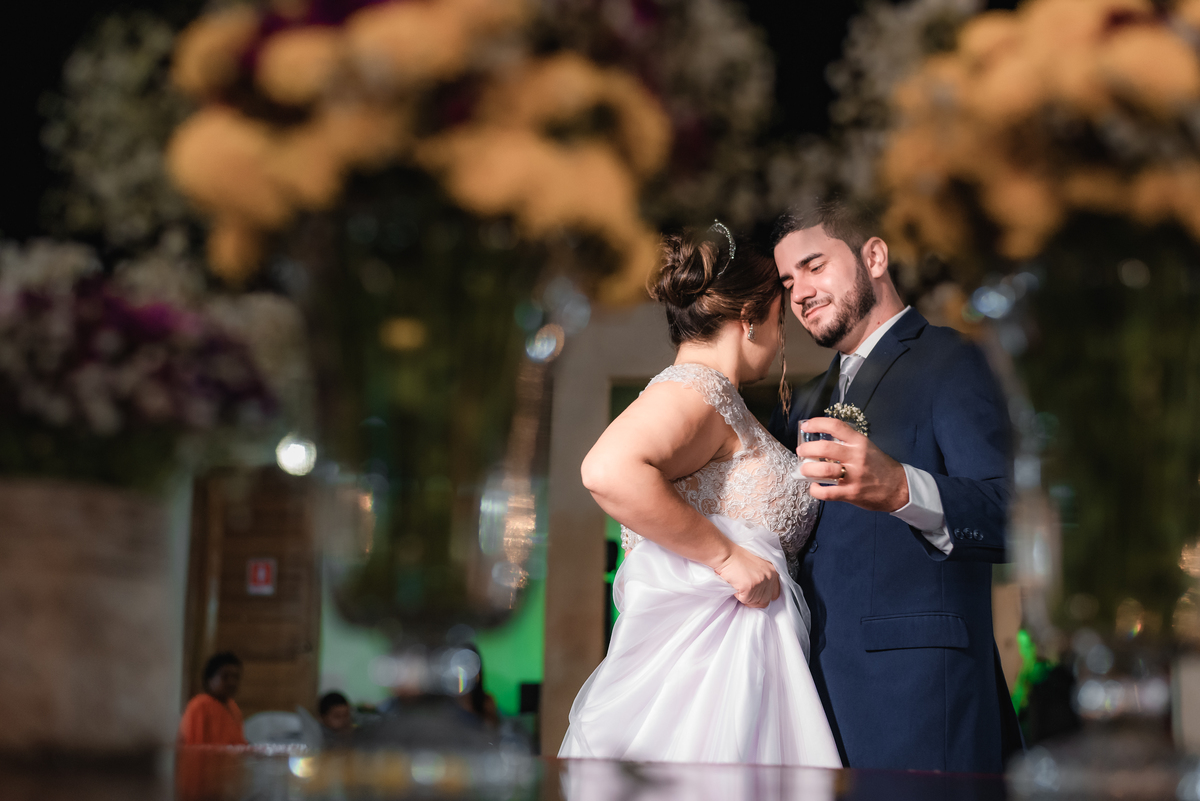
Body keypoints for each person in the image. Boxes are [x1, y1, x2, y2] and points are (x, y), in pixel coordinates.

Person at [558, 222, 841, 766]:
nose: (782, 338)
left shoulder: (720, 399)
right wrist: (727, 557)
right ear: (749, 318)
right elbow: (607, 470)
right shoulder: (697, 389)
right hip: (700, 683)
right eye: (779, 319)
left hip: (743, 672)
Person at [768, 198, 1022, 772]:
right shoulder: (806, 399)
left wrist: (904, 489)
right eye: (788, 281)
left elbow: (1011, 515)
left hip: (921, 696)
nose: (799, 293)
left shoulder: (953, 360)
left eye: (814, 266)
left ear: (874, 256)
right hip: (811, 695)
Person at [178, 651, 247, 747]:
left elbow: (239, 745)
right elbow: (194, 746)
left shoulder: (233, 708)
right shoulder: (200, 705)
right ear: (210, 679)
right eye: (225, 676)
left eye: (236, 677)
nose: (232, 682)